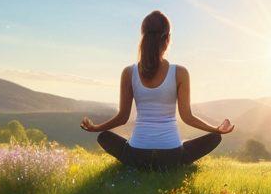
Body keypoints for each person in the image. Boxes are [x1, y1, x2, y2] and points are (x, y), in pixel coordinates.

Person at [81, 10, 234, 170]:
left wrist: (96, 128)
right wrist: (216, 129)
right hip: (171, 156)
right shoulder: (180, 72)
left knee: (104, 137)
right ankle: (178, 156)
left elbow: (122, 118)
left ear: (143, 38)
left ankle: (142, 161)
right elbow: (187, 117)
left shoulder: (128, 72)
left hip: (137, 156)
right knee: (214, 138)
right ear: (168, 39)